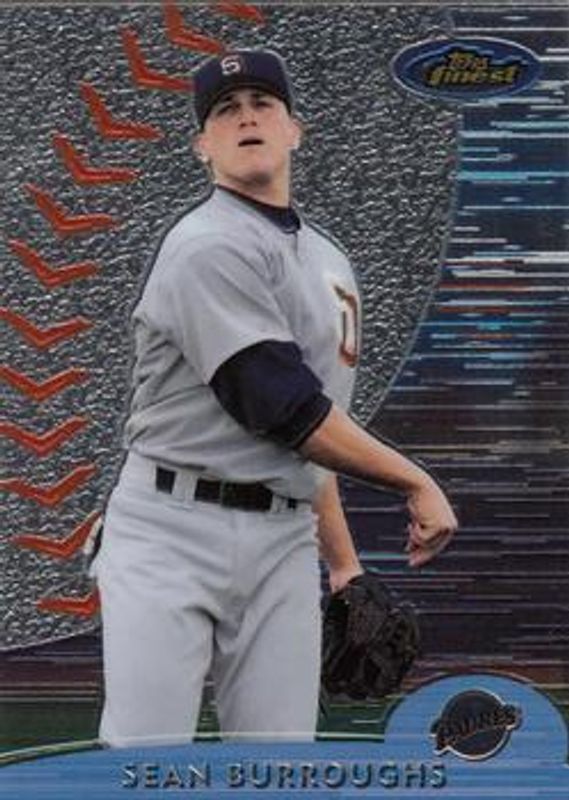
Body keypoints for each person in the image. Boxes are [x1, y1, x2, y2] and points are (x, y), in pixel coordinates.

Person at [93, 49, 457, 747]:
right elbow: (283, 408)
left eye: (262, 104)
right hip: (170, 529)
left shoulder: (329, 264)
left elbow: (314, 439)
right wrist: (415, 480)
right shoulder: (204, 246)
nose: (246, 117)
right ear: (202, 147)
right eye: (225, 111)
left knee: (280, 766)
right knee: (144, 761)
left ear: (294, 130)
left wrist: (343, 566)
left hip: (283, 537)